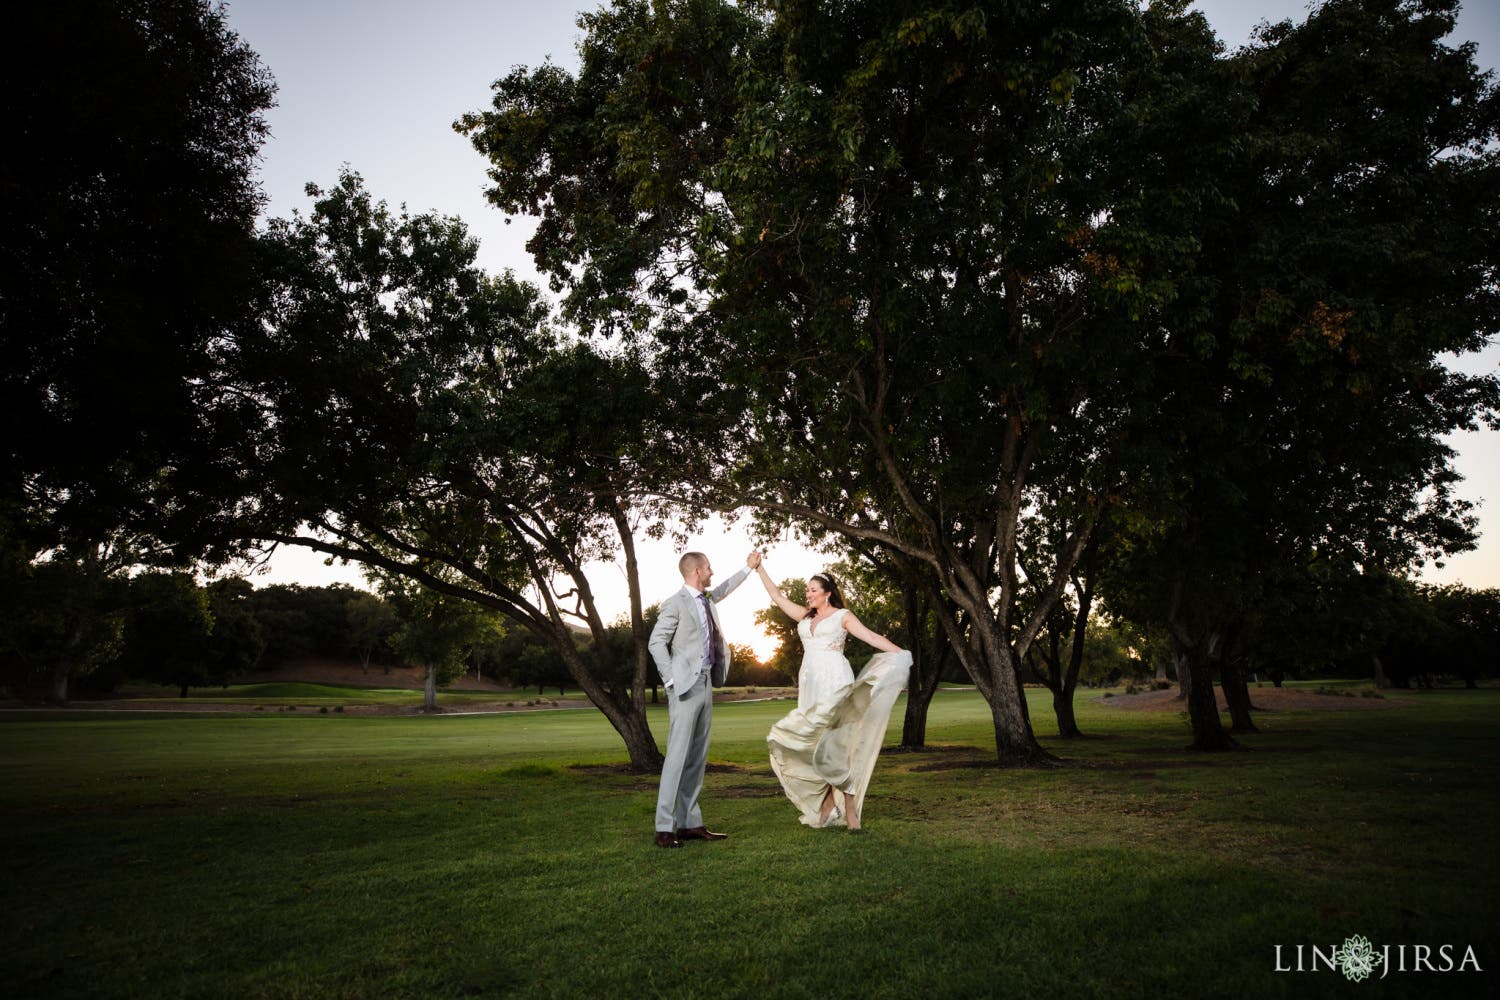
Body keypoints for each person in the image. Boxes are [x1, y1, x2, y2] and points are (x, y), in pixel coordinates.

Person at [755, 564, 912, 831]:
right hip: (811, 684)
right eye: (807, 590)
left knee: (837, 747)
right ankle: (828, 802)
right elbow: (778, 598)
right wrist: (760, 569)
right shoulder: (805, 618)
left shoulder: (842, 616)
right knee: (816, 745)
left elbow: (872, 636)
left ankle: (849, 809)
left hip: (836, 682)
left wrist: (901, 653)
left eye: (813, 590)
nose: (808, 594)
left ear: (827, 593)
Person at [647, 549, 761, 848]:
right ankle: (664, 828)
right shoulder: (675, 603)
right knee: (676, 757)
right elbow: (656, 642)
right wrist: (670, 680)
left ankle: (690, 824)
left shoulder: (707, 599)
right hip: (684, 688)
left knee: (697, 758)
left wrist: (748, 569)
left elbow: (723, 588)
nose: (712, 572)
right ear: (697, 571)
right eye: (708, 568)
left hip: (707, 681)